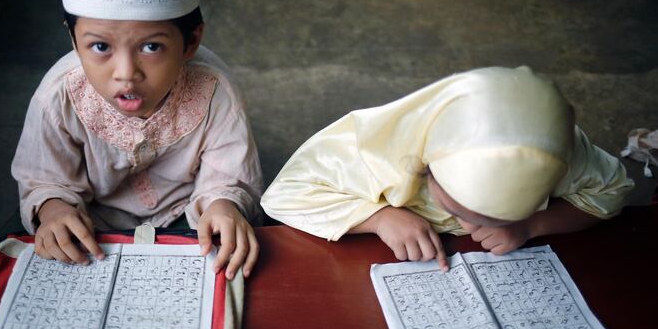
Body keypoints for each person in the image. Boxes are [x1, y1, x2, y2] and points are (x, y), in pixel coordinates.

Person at [12, 0, 263, 279]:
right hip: (90, 225)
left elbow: (227, 177)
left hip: (190, 219)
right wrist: (53, 209)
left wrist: (223, 206)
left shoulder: (214, 91)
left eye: (151, 47)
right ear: (73, 39)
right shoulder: (60, 95)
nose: (126, 73)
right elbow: (45, 178)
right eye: (100, 47)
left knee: (249, 257)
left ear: (190, 42)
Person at [261, 66, 634, 271]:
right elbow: (283, 196)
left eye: (494, 218)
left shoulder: (558, 153)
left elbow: (612, 190)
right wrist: (379, 218)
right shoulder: (369, 149)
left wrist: (531, 225)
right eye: (457, 211)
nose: (472, 231)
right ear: (425, 168)